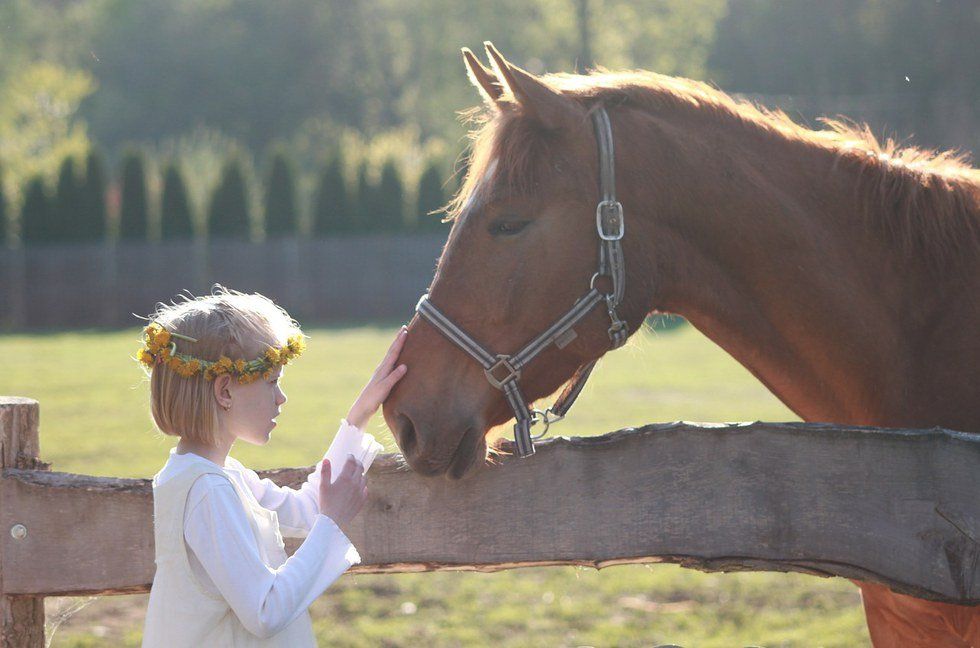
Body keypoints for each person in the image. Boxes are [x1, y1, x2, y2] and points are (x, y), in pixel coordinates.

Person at [139, 286, 407, 647]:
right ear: (225, 392)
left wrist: (360, 415)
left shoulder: (220, 475)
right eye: (272, 382)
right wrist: (333, 523)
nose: (281, 398)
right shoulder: (208, 490)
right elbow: (265, 611)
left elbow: (307, 510)